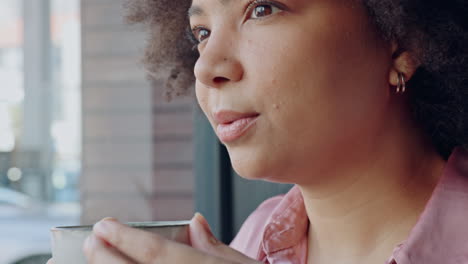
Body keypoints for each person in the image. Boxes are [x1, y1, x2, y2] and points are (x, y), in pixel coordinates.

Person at [49, 0, 468, 263]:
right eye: (202, 33)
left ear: (402, 42)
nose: (206, 66)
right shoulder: (255, 237)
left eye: (262, 9)